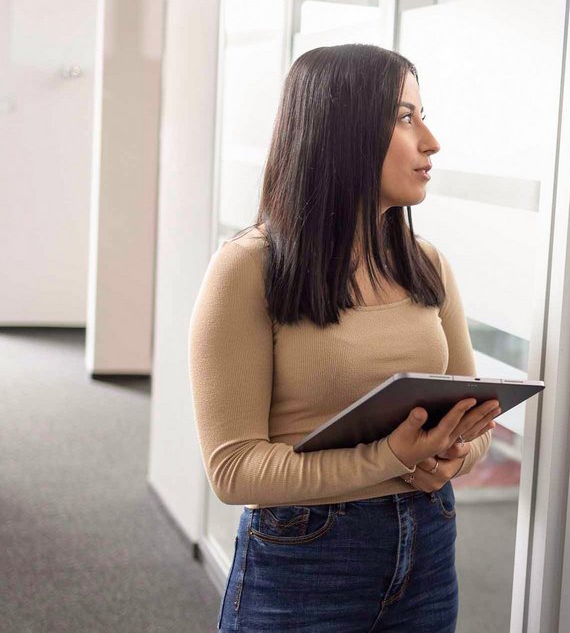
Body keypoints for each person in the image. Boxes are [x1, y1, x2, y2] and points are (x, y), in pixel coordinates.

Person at [190, 44, 501, 632]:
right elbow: (232, 469)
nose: (429, 140)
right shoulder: (248, 268)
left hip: (428, 540)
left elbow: (476, 416)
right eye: (405, 117)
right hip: (307, 554)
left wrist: (454, 453)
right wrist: (387, 458)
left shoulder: (426, 263)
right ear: (341, 131)